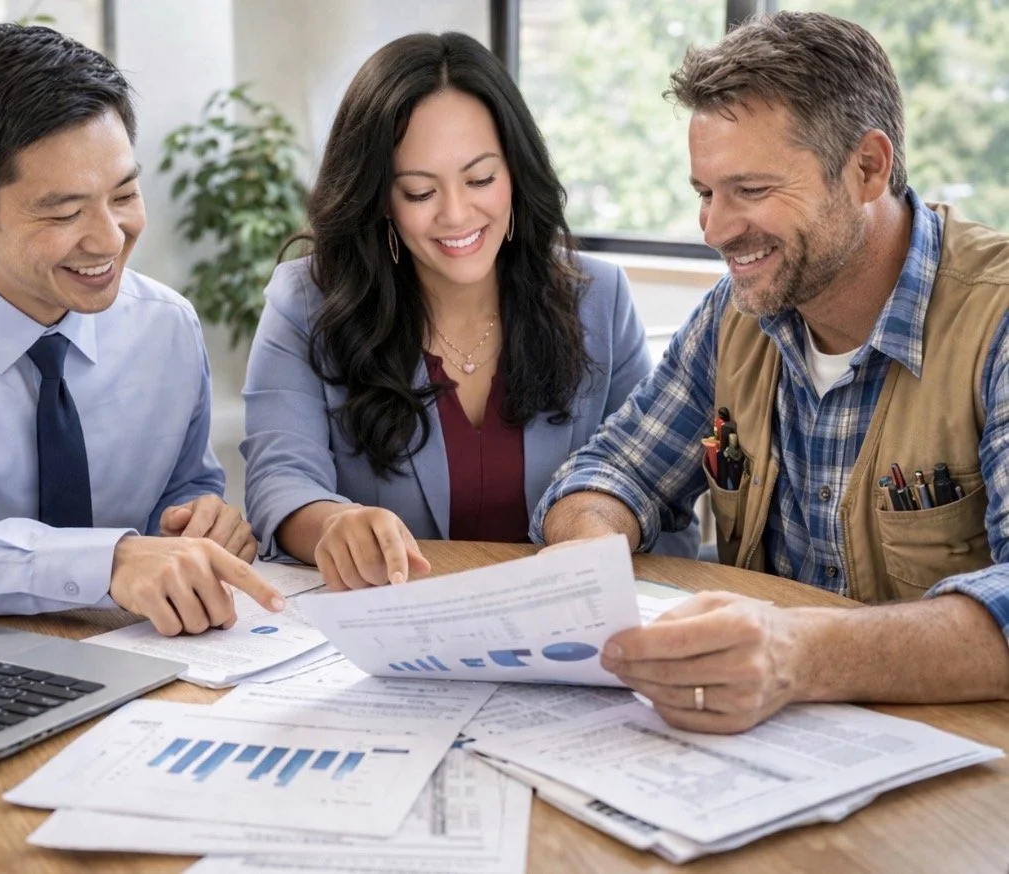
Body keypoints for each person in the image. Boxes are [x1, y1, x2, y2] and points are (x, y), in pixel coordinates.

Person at [535, 11, 1009, 732]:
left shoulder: (995, 320)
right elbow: (612, 471)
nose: (715, 231)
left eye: (750, 191)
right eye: (704, 192)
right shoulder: (735, 315)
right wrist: (593, 545)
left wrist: (798, 654)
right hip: (770, 754)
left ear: (866, 168)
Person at [0, 24, 283, 635]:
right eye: (65, 211)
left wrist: (203, 520)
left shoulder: (166, 329)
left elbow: (181, 496)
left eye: (124, 194)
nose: (109, 239)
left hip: (136, 664)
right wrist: (105, 561)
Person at [241, 31, 698, 590]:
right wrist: (334, 524)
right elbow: (280, 481)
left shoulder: (597, 297)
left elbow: (657, 491)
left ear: (515, 173)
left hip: (569, 631)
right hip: (392, 633)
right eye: (418, 192)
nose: (457, 215)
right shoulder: (307, 303)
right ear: (379, 197)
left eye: (480, 179)